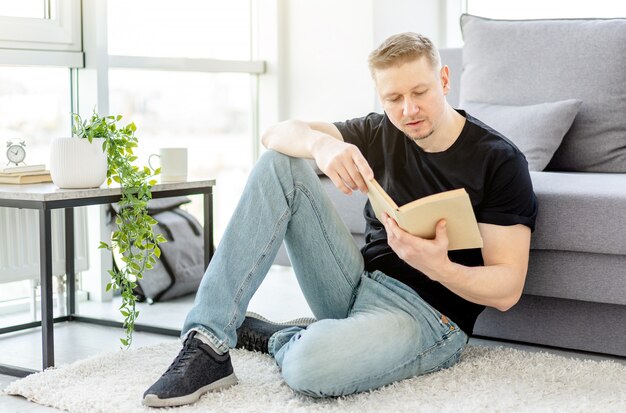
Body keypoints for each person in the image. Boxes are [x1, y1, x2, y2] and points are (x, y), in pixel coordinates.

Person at [142, 32, 537, 408]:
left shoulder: (499, 160)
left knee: (309, 367)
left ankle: (283, 337)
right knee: (280, 162)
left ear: (445, 79)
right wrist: (322, 144)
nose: (408, 110)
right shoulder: (380, 129)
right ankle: (207, 342)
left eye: (420, 92)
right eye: (393, 98)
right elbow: (274, 133)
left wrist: (439, 266)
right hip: (355, 283)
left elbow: (507, 289)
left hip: (430, 317)